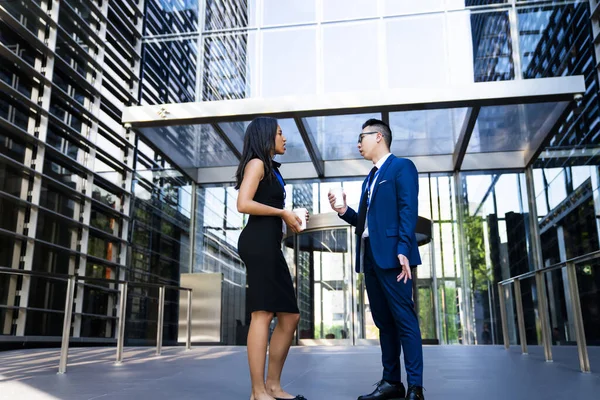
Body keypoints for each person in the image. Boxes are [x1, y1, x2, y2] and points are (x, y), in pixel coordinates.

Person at [328, 119, 424, 400]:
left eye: (362, 138)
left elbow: (408, 210)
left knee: (405, 319)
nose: (359, 144)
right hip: (370, 256)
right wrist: (344, 210)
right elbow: (366, 224)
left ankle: (416, 387)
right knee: (383, 322)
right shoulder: (369, 178)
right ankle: (391, 382)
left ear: (379, 137)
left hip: (395, 256)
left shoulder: (401, 167)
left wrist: (404, 248)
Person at [236, 117, 308, 400]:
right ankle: (257, 392)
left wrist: (289, 218)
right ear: (267, 136)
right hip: (257, 243)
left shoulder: (272, 169)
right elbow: (243, 203)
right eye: (280, 133)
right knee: (262, 313)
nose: (285, 138)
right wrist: (282, 213)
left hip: (269, 244)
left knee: (289, 316)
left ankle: (274, 386)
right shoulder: (257, 164)